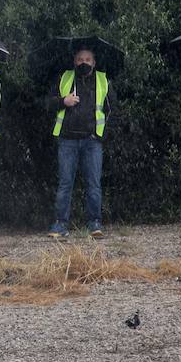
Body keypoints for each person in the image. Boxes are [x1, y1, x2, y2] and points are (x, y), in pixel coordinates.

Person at [48, 48, 113, 239]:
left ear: (94, 62)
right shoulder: (64, 78)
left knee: (93, 184)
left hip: (92, 141)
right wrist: (63, 101)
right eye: (79, 59)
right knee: (65, 183)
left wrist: (101, 135)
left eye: (87, 59)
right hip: (67, 139)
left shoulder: (104, 80)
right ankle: (60, 224)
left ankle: (94, 223)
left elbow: (112, 111)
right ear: (74, 61)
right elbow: (48, 102)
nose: (83, 63)